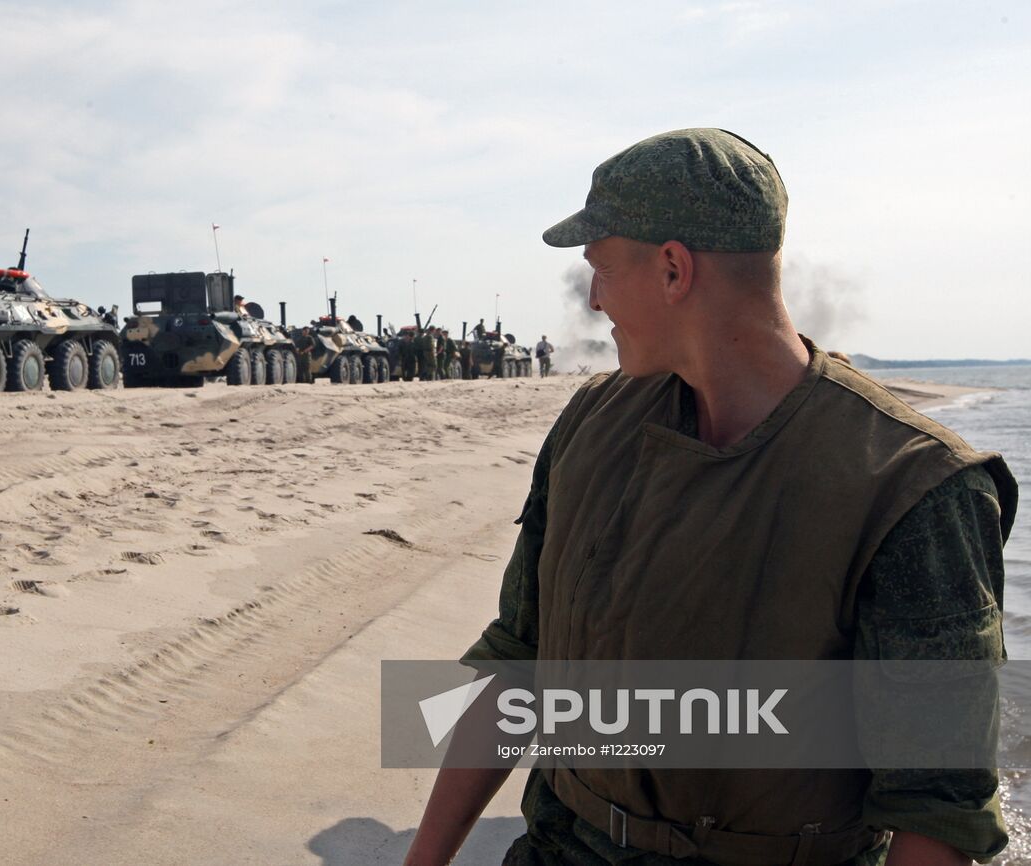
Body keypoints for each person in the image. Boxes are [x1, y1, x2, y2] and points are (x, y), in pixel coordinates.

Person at [403, 128, 1017, 866]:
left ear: (672, 270)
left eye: (599, 268)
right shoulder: (590, 427)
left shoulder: (911, 486)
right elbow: (516, 661)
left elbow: (937, 815)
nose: (594, 300)